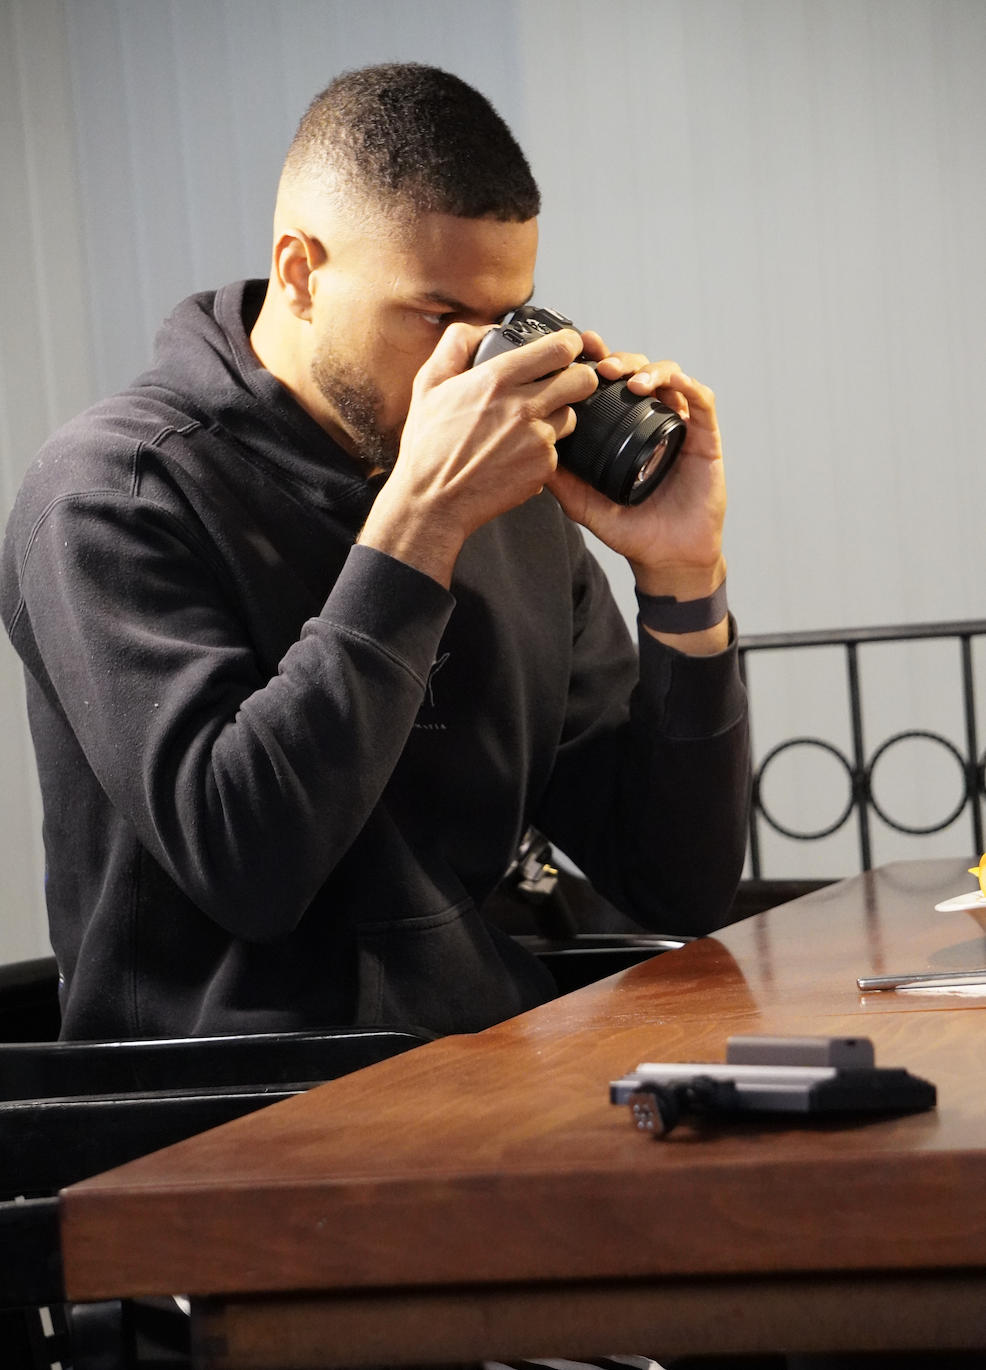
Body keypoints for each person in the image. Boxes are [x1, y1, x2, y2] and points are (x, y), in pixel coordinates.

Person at [0, 64, 749, 1041]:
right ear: (300, 272)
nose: (474, 365)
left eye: (505, 317)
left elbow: (675, 883)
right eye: (438, 317)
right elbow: (248, 866)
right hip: (227, 1101)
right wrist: (421, 521)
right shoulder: (111, 492)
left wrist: (682, 581)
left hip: (477, 1057)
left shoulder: (508, 495)